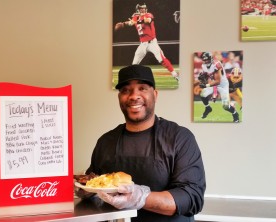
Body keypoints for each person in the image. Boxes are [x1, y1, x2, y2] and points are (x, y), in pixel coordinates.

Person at [78, 64, 206, 222]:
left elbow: (192, 197)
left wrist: (141, 198)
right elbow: (93, 182)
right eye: (125, 90)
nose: (133, 96)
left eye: (142, 88)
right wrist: (83, 190)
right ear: (119, 98)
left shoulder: (179, 138)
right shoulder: (106, 141)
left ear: (155, 95)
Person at [114, 3, 179, 80]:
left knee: (161, 59)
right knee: (134, 64)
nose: (143, 10)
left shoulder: (148, 15)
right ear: (138, 9)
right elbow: (130, 22)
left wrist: (137, 21)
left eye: (144, 8)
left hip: (152, 43)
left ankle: (175, 75)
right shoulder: (135, 17)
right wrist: (123, 24)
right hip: (142, 44)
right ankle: (132, 79)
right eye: (141, 8)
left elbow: (148, 20)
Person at [198, 52, 240, 123]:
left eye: (207, 60)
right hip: (214, 84)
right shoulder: (203, 66)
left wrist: (206, 85)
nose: (206, 62)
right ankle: (208, 108)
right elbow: (209, 77)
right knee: (202, 94)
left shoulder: (216, 64)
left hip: (223, 85)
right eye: (204, 60)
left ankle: (235, 114)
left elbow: (218, 81)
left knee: (225, 107)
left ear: (211, 59)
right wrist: (205, 80)